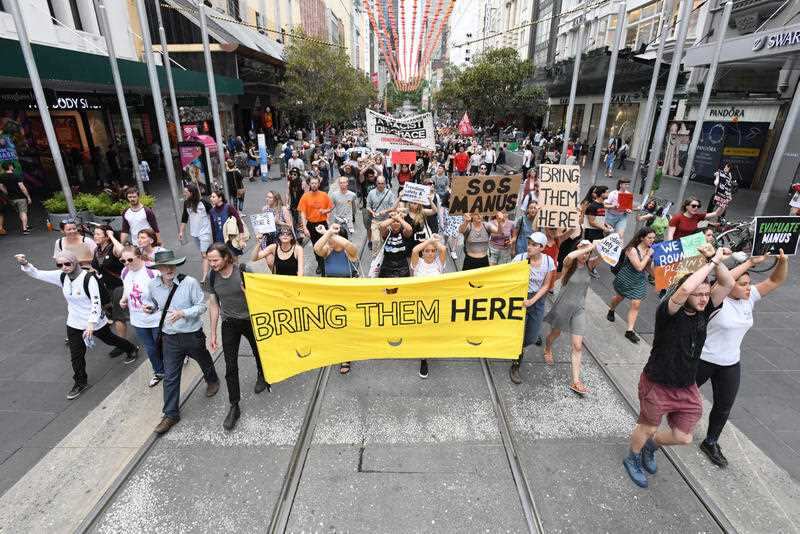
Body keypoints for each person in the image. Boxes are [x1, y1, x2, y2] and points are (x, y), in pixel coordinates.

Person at [623, 244, 734, 488]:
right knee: (648, 426)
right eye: (699, 294)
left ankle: (650, 447)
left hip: (686, 386)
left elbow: (726, 285)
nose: (704, 298)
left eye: (707, 294)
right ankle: (632, 458)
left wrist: (715, 259)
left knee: (683, 437)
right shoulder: (669, 310)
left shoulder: (705, 311)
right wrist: (711, 263)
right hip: (657, 383)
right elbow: (685, 287)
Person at [696, 249, 789, 467]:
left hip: (730, 363)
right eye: (743, 283)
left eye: (749, 283)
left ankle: (711, 442)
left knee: (724, 406)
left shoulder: (749, 298)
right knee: (678, 394)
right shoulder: (716, 299)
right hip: (703, 359)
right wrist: (748, 263)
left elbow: (775, 280)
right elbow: (721, 283)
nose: (749, 287)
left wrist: (782, 261)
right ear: (730, 283)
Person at [16, 251, 138, 400]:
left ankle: (131, 348)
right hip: (74, 322)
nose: (64, 267)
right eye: (60, 264)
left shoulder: (88, 278)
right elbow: (37, 273)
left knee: (109, 339)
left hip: (93, 322)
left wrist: (91, 324)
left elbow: (96, 302)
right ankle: (80, 382)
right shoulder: (61, 276)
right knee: (76, 354)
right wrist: (25, 264)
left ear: (75, 262)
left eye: (67, 263)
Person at [148, 249, 221, 435]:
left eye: (171, 265)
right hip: (170, 337)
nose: (168, 269)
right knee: (171, 376)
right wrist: (150, 308)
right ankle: (170, 414)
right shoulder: (153, 285)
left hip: (191, 334)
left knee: (203, 359)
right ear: (159, 269)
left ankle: (212, 379)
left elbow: (201, 306)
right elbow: (155, 304)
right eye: (164, 267)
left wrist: (183, 313)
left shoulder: (189, 283)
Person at [207, 244, 269, 431]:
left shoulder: (243, 270)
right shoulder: (212, 276)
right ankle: (234, 405)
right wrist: (213, 333)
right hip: (229, 323)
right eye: (209, 261)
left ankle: (262, 373)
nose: (212, 264)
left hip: (250, 320)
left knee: (258, 351)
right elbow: (214, 304)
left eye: (215, 260)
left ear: (226, 257)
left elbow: (262, 295)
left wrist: (247, 292)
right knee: (230, 365)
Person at [543, 240, 599, 394]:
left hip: (579, 309)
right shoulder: (569, 264)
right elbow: (570, 255)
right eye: (583, 251)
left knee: (577, 346)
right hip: (563, 307)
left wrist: (607, 240)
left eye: (588, 253)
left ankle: (575, 381)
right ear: (578, 249)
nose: (585, 255)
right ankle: (547, 349)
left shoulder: (590, 265)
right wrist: (588, 247)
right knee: (555, 334)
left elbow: (607, 256)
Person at [509, 232, 556, 384]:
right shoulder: (520, 258)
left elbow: (546, 285)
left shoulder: (548, 261)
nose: (529, 247)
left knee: (531, 337)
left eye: (534, 245)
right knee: (518, 333)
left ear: (541, 248)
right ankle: (516, 363)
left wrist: (532, 300)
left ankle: (519, 347)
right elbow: (507, 276)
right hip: (520, 299)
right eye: (529, 243)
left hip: (537, 300)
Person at [118, 245, 164, 387]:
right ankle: (159, 372)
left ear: (139, 256)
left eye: (130, 260)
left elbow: (164, 295)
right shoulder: (125, 272)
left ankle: (174, 364)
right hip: (138, 319)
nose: (126, 263)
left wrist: (154, 307)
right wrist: (123, 299)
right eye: (122, 261)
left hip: (156, 317)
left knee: (162, 345)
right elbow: (127, 289)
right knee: (150, 348)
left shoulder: (152, 271)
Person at [606, 228, 656, 343]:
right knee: (619, 297)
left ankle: (629, 331)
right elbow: (638, 267)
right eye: (649, 238)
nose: (652, 240)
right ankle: (612, 309)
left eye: (653, 238)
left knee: (636, 303)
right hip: (626, 277)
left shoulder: (649, 251)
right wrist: (648, 255)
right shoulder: (631, 249)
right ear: (642, 238)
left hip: (639, 280)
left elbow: (646, 267)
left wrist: (656, 277)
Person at [410, 235, 447, 378]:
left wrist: (434, 242)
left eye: (432, 251)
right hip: (419, 303)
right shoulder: (417, 263)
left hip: (435, 303)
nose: (430, 253)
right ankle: (423, 359)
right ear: (423, 253)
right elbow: (414, 250)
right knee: (422, 332)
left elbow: (443, 249)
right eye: (427, 251)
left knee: (432, 331)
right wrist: (429, 241)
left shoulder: (438, 263)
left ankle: (431, 349)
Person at [91, 225, 127, 349]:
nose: (95, 236)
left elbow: (122, 251)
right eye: (94, 234)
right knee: (120, 313)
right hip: (108, 287)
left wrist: (112, 236)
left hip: (120, 286)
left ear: (106, 237)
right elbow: (96, 267)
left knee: (118, 316)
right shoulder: (97, 250)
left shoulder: (112, 248)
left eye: (98, 234)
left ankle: (122, 345)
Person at [178, 184, 213, 283]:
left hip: (205, 232)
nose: (184, 193)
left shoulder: (203, 202)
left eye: (186, 192)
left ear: (192, 193)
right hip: (195, 233)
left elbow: (213, 213)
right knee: (205, 254)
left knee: (204, 254)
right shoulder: (186, 203)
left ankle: (205, 277)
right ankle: (215, 265)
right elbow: (184, 218)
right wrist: (181, 231)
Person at [298, 177, 334, 274]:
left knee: (325, 244)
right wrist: (305, 228)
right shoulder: (305, 196)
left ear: (318, 184)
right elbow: (302, 213)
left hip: (322, 224)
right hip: (311, 225)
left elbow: (331, 207)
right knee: (316, 246)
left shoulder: (324, 195)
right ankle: (319, 263)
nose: (314, 185)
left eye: (316, 183)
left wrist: (325, 211)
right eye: (312, 183)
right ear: (309, 184)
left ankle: (327, 262)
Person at [366, 176, 397, 254]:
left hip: (386, 221)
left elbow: (393, 207)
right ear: (376, 183)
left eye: (382, 183)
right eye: (379, 183)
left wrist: (386, 210)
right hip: (375, 220)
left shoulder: (389, 193)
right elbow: (368, 206)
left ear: (385, 184)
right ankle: (375, 257)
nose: (380, 185)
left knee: (384, 240)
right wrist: (372, 212)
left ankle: (383, 256)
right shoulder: (371, 193)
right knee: (376, 240)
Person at [378, 210, 414, 278]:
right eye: (393, 222)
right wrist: (394, 218)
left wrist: (399, 218)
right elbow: (382, 226)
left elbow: (409, 229)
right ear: (390, 223)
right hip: (387, 265)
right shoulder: (387, 233)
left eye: (398, 222)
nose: (395, 223)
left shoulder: (404, 233)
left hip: (402, 266)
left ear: (401, 223)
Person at [0, 163, 32, 234]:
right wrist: (28, 197)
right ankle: (25, 229)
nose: (12, 166)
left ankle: (26, 225)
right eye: (11, 165)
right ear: (9, 166)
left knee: (20, 212)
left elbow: (1, 186)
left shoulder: (2, 176)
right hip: (20, 197)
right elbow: (22, 187)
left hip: (11, 198)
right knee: (23, 212)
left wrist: (6, 192)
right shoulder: (17, 175)